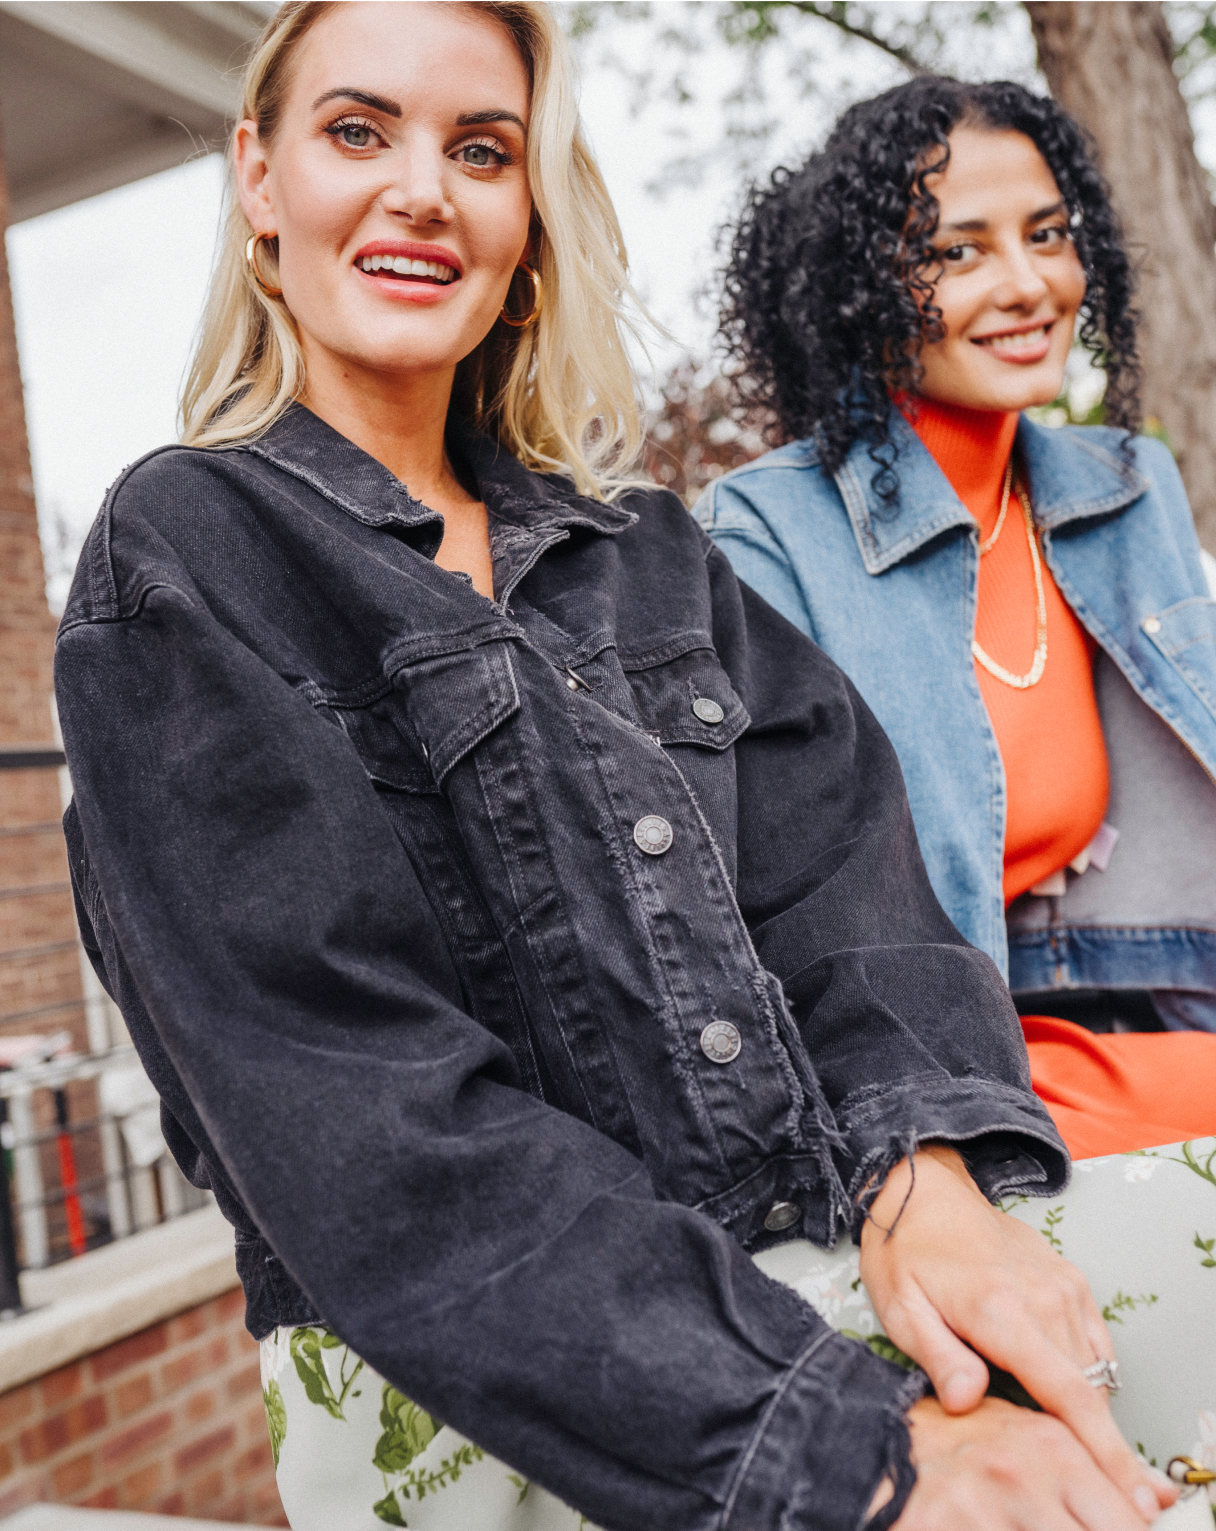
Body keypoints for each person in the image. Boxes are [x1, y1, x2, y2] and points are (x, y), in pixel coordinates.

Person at [55, 16, 1174, 1531]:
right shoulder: (187, 560)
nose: (424, 192)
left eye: (480, 150)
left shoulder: (648, 550)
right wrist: (869, 1453)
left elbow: (850, 889)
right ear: (259, 176)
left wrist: (925, 1173)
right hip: (524, 1393)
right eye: (357, 133)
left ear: (527, 220)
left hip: (841, 1254)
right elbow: (366, 1124)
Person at [696, 75, 1216, 1162]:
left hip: (1132, 999)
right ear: (858, 290)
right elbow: (775, 900)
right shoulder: (768, 533)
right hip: (922, 1063)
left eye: (1047, 235)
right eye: (957, 251)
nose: (1028, 285)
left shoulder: (1126, 487)